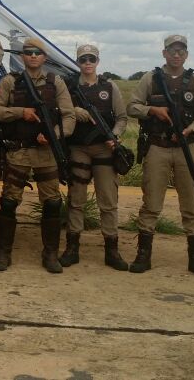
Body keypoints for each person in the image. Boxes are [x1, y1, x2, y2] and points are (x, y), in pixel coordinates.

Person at [127, 34, 194, 276]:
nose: (176, 55)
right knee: (151, 203)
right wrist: (152, 110)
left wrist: (191, 129)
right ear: (164, 53)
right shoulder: (151, 79)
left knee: (191, 204)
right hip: (157, 147)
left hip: (187, 148)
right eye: (172, 50)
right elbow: (132, 107)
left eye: (181, 51)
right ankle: (143, 254)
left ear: (186, 54)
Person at [0, 38, 75, 273]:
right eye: (28, 53)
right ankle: (3, 253)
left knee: (52, 203)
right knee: (8, 201)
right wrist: (20, 112)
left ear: (44, 57)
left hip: (47, 153)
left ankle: (50, 254)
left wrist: (55, 135)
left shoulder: (55, 82)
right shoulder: (10, 81)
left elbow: (69, 116)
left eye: (38, 53)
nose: (33, 56)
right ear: (22, 56)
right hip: (19, 151)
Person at [64, 44, 129, 270]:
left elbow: (122, 118)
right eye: (83, 59)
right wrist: (74, 111)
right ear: (78, 62)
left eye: (91, 58)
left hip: (104, 149)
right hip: (79, 148)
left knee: (108, 201)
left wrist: (115, 136)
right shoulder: (70, 87)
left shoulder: (109, 87)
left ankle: (112, 250)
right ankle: (72, 248)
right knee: (76, 199)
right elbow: (58, 110)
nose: (87, 63)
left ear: (98, 61)